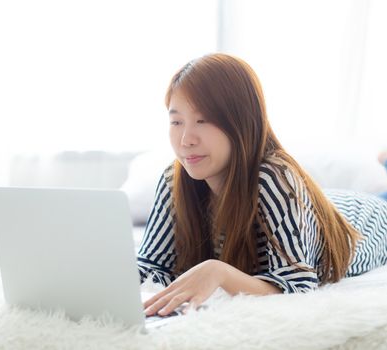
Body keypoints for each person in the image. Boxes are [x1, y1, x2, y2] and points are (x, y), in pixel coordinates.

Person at [138, 53, 387, 317]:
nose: (186, 139)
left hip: (366, 218)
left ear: (241, 121)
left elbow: (298, 288)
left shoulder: (273, 178)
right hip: (311, 209)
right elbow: (152, 267)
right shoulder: (174, 179)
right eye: (176, 121)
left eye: (203, 120)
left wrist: (217, 271)